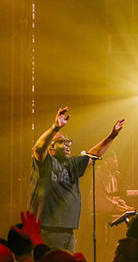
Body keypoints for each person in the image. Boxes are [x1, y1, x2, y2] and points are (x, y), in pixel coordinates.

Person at [29, 106, 125, 252]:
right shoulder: (46, 162)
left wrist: (112, 135)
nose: (68, 145)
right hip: (48, 229)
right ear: (52, 148)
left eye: (69, 142)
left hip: (69, 229)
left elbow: (95, 153)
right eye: (63, 142)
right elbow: (38, 148)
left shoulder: (73, 163)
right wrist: (55, 128)